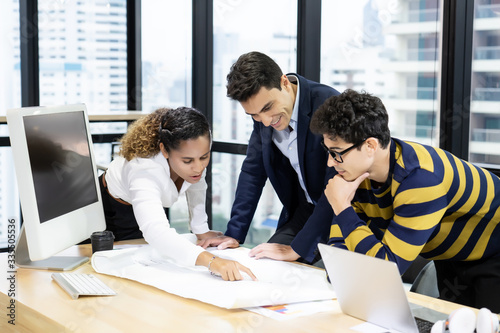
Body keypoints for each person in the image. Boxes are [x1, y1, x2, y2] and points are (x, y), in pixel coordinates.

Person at [310, 89, 500, 312]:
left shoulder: (421, 179)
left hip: (493, 250)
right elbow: (342, 251)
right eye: (329, 152)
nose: (331, 163)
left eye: (337, 152)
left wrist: (341, 207)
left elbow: (385, 268)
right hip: (450, 252)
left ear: (370, 146)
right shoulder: (355, 174)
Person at [199, 51, 339, 264]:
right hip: (304, 212)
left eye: (267, 108)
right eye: (254, 115)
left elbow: (336, 184)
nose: (264, 121)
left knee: (324, 279)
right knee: (264, 263)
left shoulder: (329, 104)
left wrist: (297, 249)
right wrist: (234, 233)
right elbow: (253, 171)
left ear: (284, 82)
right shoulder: (264, 116)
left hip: (342, 212)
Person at [100, 107, 256, 281]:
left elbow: (198, 186)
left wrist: (201, 230)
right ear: (164, 150)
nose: (198, 167)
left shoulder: (193, 158)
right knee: (115, 275)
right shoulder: (143, 170)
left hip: (145, 209)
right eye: (187, 161)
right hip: (110, 213)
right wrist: (212, 261)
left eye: (204, 157)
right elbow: (156, 232)